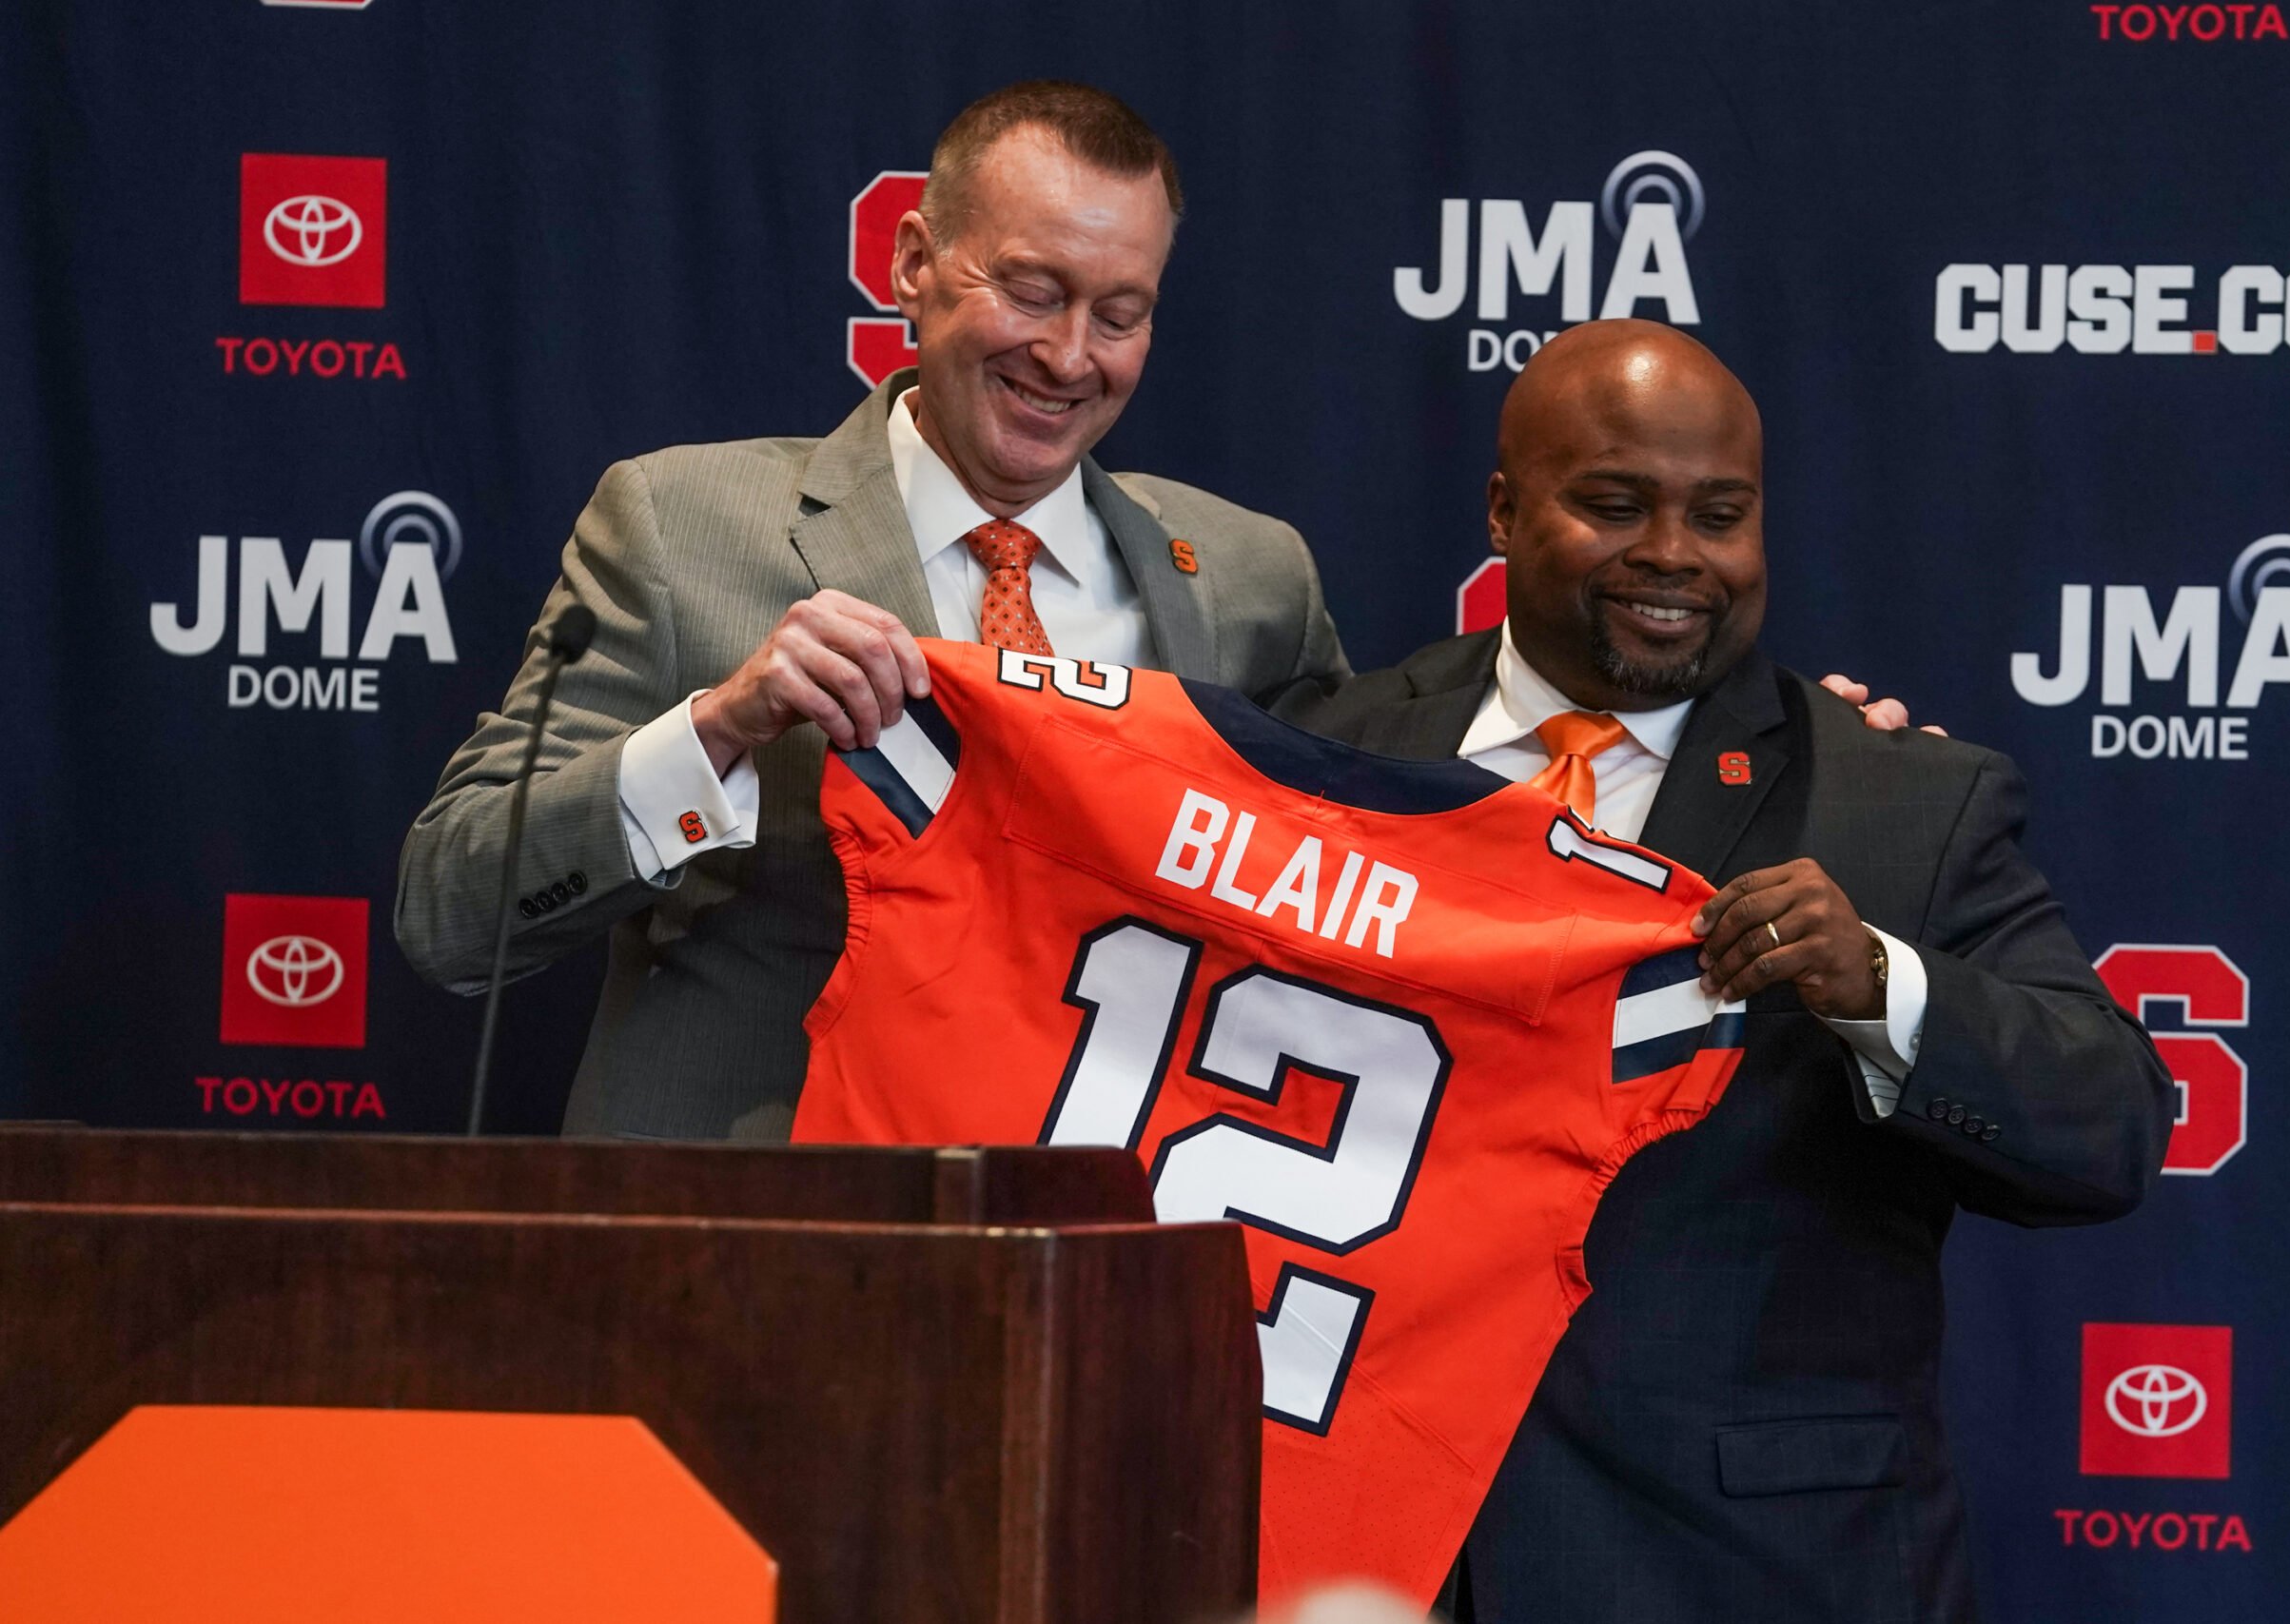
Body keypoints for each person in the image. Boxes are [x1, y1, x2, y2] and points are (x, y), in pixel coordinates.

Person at [1273, 320, 2176, 1623]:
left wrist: (1880, 983)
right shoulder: (1327, 753)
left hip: (1747, 1567)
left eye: (1720, 513)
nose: (1672, 555)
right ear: (1503, 507)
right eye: (1614, 502)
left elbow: (2113, 1122)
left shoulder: (1899, 799)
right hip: (1362, 1554)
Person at [396, 82, 1351, 1139]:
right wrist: (717, 732)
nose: (1071, 356)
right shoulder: (680, 526)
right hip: (754, 1245)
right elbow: (452, 912)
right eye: (1031, 291)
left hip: (1101, 1251)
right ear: (911, 264)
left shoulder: (1253, 581)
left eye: (1119, 315)